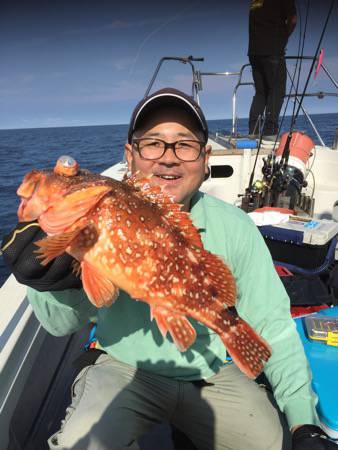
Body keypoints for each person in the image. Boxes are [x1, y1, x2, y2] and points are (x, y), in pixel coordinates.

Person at [2, 87, 337, 450]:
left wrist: (305, 424)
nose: (168, 159)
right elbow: (59, 324)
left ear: (205, 157)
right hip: (120, 363)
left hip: (212, 368)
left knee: (271, 443)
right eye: (153, 144)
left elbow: (273, 325)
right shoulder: (93, 215)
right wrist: (55, 283)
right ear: (129, 155)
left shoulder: (237, 226)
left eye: (185, 145)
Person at [248, 0, 297, 137]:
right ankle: (270, 132)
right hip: (272, 51)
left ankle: (253, 132)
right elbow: (293, 19)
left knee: (261, 92)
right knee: (277, 90)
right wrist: (283, 38)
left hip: (254, 52)